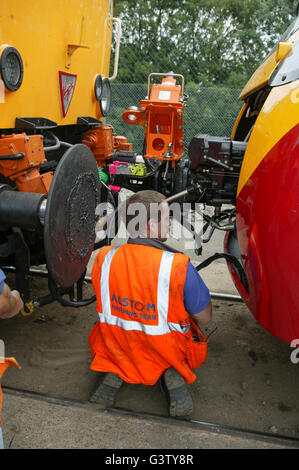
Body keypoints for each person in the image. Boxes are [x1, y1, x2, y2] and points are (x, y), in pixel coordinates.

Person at [89, 190, 212, 416]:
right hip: (165, 349)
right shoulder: (177, 266)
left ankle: (116, 368)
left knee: (113, 342)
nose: (170, 223)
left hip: (118, 342)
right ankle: (170, 371)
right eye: (166, 218)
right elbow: (204, 318)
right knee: (190, 331)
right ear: (151, 226)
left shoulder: (104, 257)